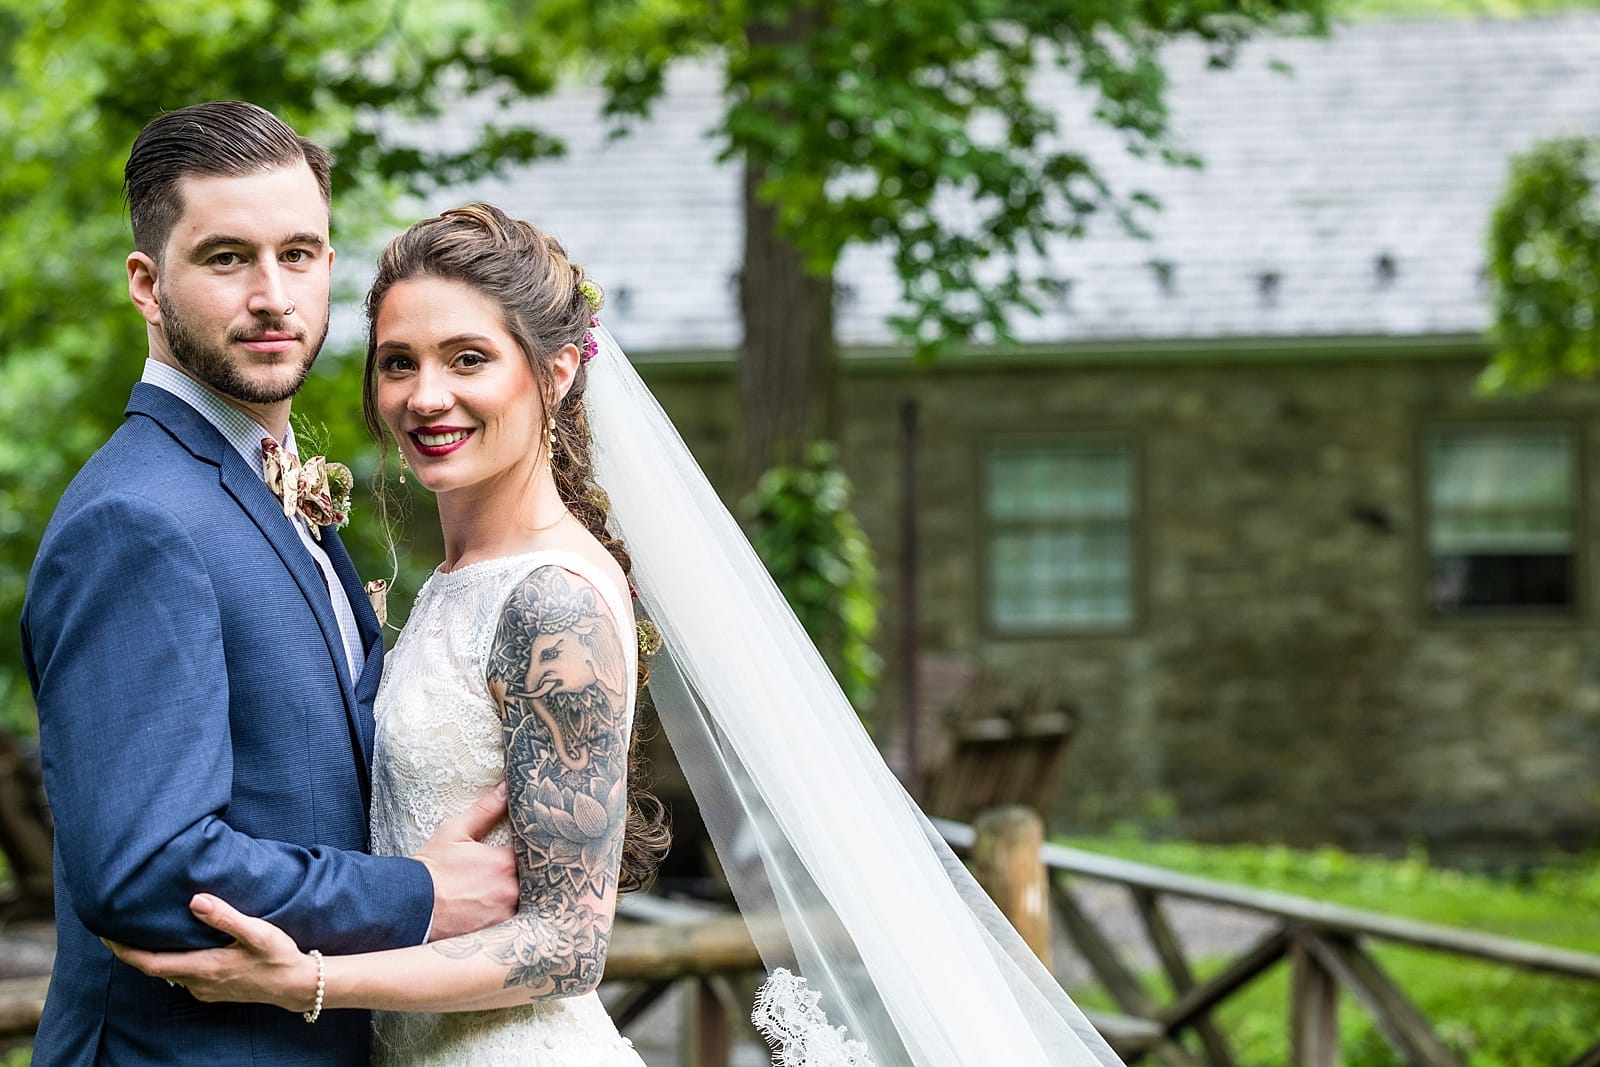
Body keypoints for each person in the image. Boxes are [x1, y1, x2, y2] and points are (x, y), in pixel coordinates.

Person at [114, 204, 1127, 1067]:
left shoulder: (554, 601)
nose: (426, 396)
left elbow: (567, 943)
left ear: (557, 371)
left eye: (469, 358)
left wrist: (312, 979)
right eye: (398, 363)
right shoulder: (460, 582)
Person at [22, 103, 519, 1066]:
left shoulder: (264, 482)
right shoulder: (136, 519)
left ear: (330, 262)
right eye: (226, 258)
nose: (272, 295)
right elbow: (148, 867)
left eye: (297, 254)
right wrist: (418, 894)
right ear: (146, 284)